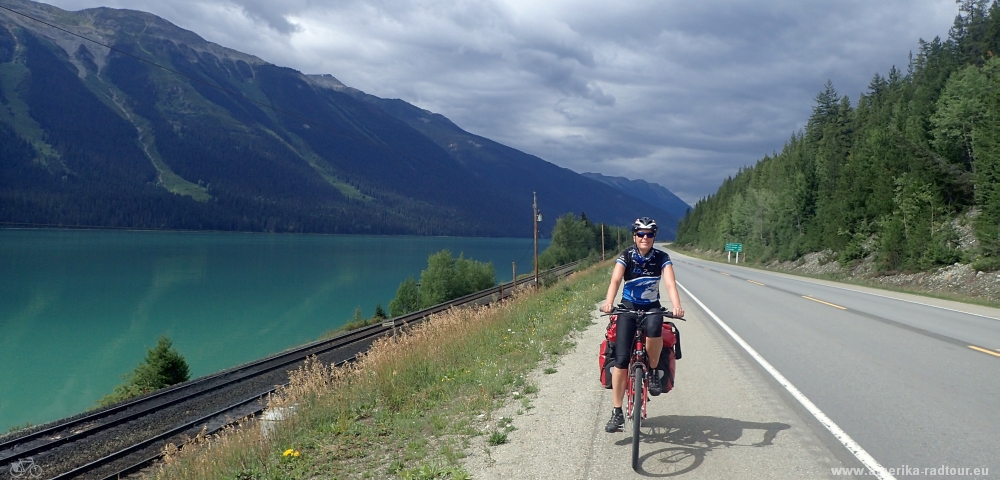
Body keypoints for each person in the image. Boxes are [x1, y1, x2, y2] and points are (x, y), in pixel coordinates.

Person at [601, 217, 685, 433]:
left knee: (655, 326)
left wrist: (676, 306)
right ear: (634, 236)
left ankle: (654, 371)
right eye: (641, 234)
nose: (645, 238)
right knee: (620, 360)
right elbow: (615, 281)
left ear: (654, 237)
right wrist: (609, 302)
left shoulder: (661, 258)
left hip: (651, 307)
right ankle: (617, 412)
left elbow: (669, 283)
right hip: (627, 308)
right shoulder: (626, 256)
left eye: (649, 234)